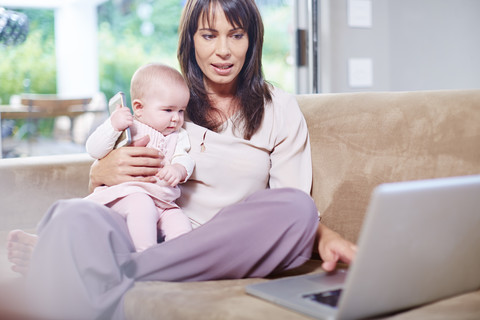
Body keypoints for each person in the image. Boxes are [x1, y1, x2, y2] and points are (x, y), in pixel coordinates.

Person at [6, 0, 357, 319]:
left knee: (296, 208)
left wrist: (321, 234)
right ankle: (97, 259)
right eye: (209, 35)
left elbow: (291, 204)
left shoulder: (278, 108)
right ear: (191, 40)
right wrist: (99, 172)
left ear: (252, 41)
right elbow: (114, 181)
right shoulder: (168, 97)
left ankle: (91, 264)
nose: (223, 51)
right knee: (72, 215)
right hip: (143, 228)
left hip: (219, 245)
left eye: (236, 35)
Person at [85, 63, 194, 252]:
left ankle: (179, 258)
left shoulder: (179, 135)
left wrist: (179, 169)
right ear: (139, 107)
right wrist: (113, 126)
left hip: (164, 203)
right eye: (168, 110)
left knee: (180, 221)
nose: (176, 118)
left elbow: (185, 158)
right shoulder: (128, 126)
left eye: (181, 111)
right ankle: (146, 254)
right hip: (126, 195)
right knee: (141, 204)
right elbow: (94, 150)